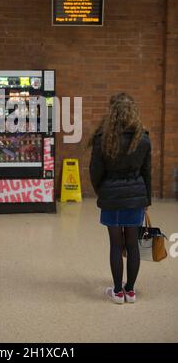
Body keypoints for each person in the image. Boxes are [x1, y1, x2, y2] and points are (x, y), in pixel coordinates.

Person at [89, 93, 151, 304]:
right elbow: (147, 172)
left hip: (112, 197)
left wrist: (102, 192)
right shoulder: (143, 138)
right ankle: (131, 291)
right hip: (136, 198)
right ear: (133, 111)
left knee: (116, 245)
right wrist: (146, 200)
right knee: (133, 245)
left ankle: (117, 292)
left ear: (112, 111)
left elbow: (95, 172)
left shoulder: (102, 138)